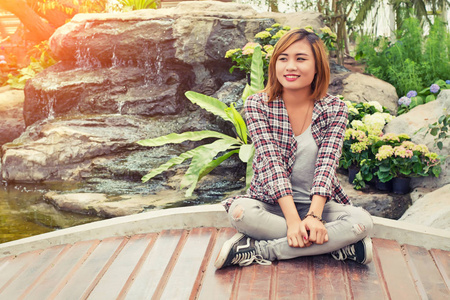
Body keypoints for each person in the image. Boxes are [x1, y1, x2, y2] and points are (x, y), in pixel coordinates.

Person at [215, 29, 373, 269]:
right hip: (271, 204)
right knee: (241, 213)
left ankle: (260, 249)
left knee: (361, 221)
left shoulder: (335, 108)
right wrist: (292, 221)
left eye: (300, 59)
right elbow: (271, 163)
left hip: (318, 205)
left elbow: (327, 165)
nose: (290, 66)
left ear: (317, 65)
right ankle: (338, 245)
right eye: (283, 58)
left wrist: (314, 216)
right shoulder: (258, 104)